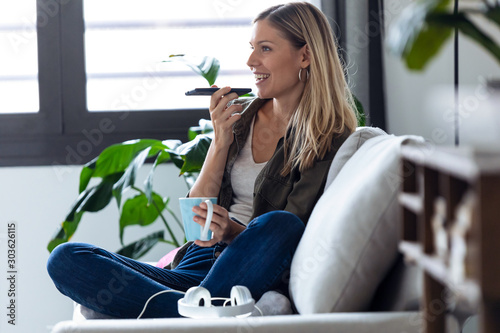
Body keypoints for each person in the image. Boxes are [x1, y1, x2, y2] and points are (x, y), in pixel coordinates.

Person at [47, 2, 358, 319]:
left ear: (305, 56)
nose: (251, 61)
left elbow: (292, 235)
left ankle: (184, 313)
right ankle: (194, 314)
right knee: (66, 258)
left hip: (248, 267)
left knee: (280, 224)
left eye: (265, 48)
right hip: (196, 265)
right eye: (251, 48)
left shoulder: (328, 138)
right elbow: (195, 224)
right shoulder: (240, 119)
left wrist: (231, 232)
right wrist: (220, 139)